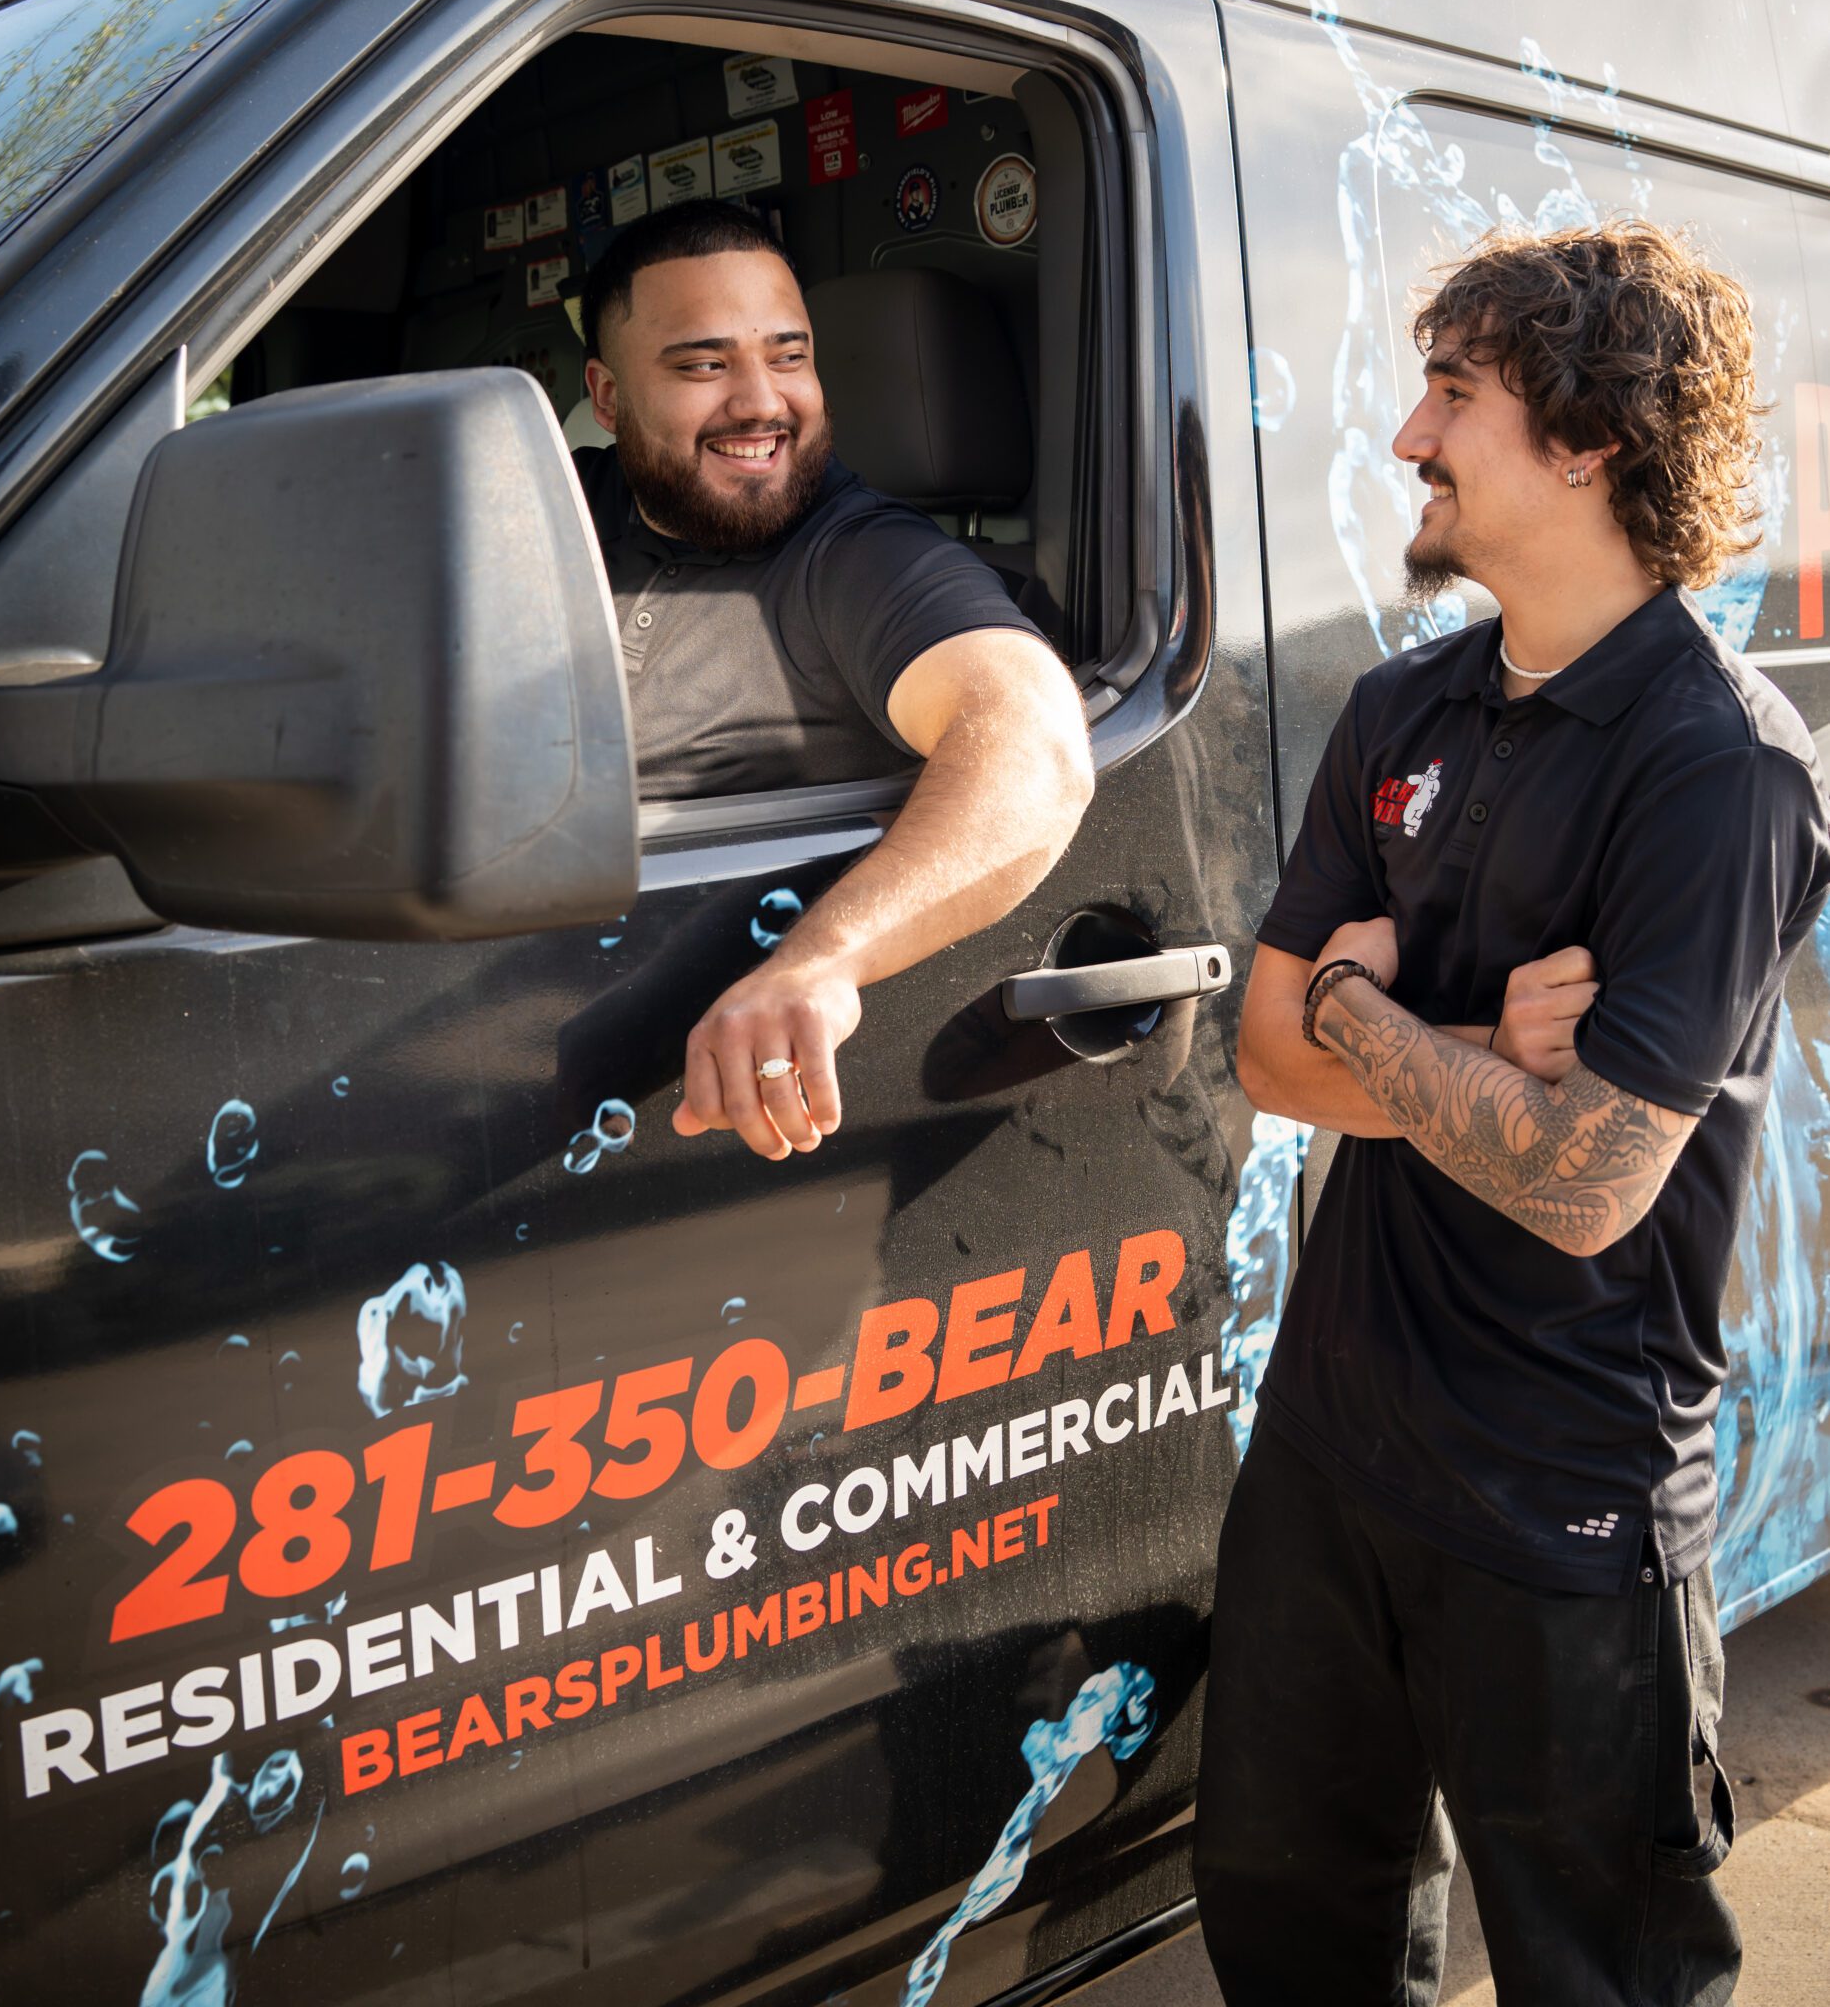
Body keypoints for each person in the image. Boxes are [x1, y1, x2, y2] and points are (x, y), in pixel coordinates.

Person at [1199, 219, 1830, 2006]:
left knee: (1597, 1976)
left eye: (1452, 396)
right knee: (1287, 1933)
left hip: (1564, 1499)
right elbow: (1262, 1062)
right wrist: (1466, 1046)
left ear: (1588, 439)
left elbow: (1580, 1184)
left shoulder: (1720, 768)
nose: (1408, 436)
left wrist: (1357, 1007)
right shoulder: (1400, 705)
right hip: (1328, 1454)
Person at [574, 197, 1092, 1164]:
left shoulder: (860, 556)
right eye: (703, 365)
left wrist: (817, 964)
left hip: (682, 1118)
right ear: (607, 398)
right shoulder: (558, 512)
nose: (760, 401)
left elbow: (1033, 745)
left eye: (788, 355)